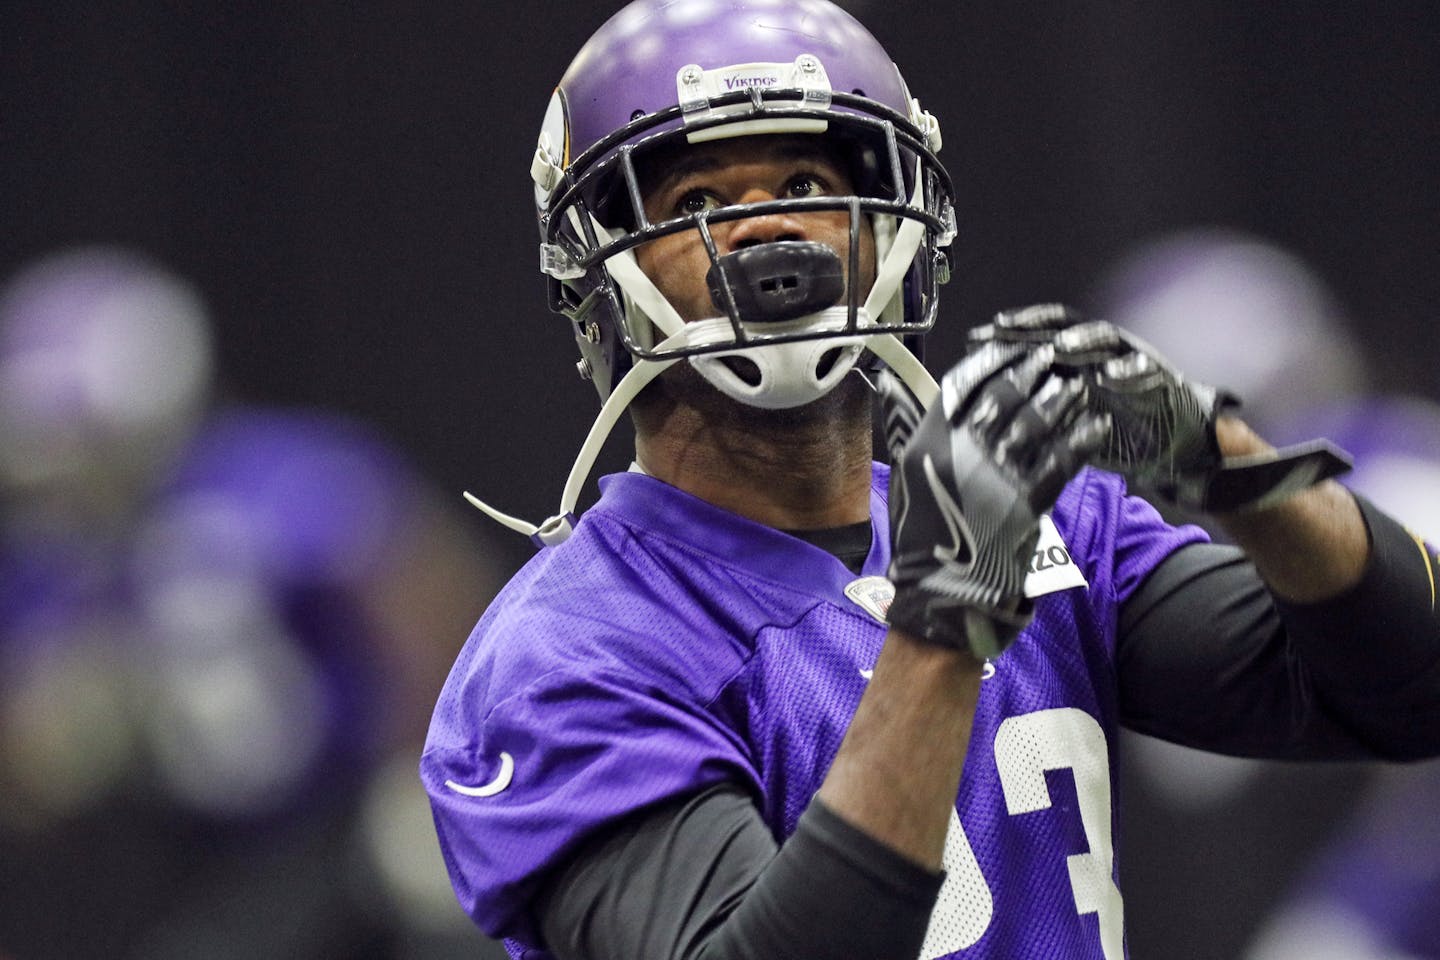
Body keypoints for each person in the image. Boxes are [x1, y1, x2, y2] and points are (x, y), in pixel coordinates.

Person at [420, 2, 1440, 958]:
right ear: (596, 279)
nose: (768, 230)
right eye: (698, 201)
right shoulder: (565, 658)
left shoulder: (1059, 525)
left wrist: (1220, 459)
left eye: (807, 188)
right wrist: (946, 616)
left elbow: (1404, 689)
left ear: (900, 223)